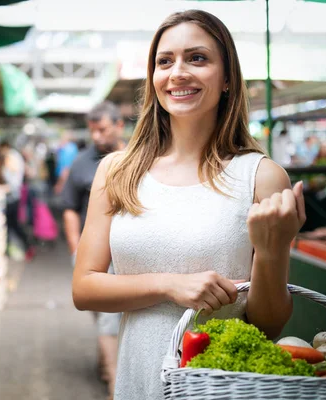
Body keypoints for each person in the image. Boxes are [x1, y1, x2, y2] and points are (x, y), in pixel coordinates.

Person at [71, 10, 306, 399]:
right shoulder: (117, 171)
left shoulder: (261, 176)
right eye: (165, 61)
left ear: (227, 77)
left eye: (197, 58)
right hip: (137, 381)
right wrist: (170, 285)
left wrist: (273, 250)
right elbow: (85, 289)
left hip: (218, 386)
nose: (177, 72)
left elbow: (268, 327)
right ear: (153, 78)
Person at [61, 101, 125, 399]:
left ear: (119, 125)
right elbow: (70, 208)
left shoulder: (135, 157)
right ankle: (112, 367)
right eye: (93, 130)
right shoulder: (82, 163)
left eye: (103, 129)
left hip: (124, 252)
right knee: (103, 316)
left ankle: (115, 381)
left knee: (111, 318)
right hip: (92, 253)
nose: (97, 136)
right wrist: (76, 247)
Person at [0, 143, 36, 262]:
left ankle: (27, 247)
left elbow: (14, 185)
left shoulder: (10, 159)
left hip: (13, 199)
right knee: (10, 226)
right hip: (10, 199)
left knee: (13, 225)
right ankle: (9, 251)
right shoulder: (6, 161)